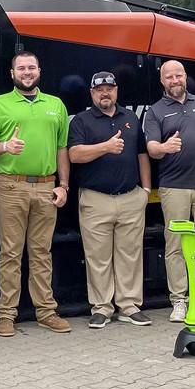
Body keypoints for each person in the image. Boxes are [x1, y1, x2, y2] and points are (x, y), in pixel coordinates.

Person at [0, 51, 72, 337]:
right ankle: (6, 314)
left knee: (42, 252)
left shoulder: (56, 105)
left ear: (39, 71)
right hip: (11, 185)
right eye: (21, 68)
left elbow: (62, 149)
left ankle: (46, 311)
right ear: (12, 74)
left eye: (31, 67)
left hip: (46, 185)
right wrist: (6, 146)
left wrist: (64, 185)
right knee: (10, 252)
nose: (27, 72)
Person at [144, 60, 195, 324]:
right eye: (169, 76)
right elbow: (152, 149)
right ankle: (179, 301)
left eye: (178, 75)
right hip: (173, 187)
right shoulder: (155, 111)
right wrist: (165, 147)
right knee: (175, 245)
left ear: (185, 77)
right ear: (162, 81)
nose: (174, 80)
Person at [68, 71, 153, 329]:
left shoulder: (130, 117)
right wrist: (105, 147)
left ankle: (129, 306)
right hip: (96, 199)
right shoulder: (81, 121)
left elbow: (141, 154)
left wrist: (146, 190)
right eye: (99, 90)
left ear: (116, 91)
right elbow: (74, 155)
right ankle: (102, 308)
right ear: (92, 93)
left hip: (130, 197)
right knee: (98, 258)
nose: (105, 93)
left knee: (130, 255)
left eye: (109, 88)